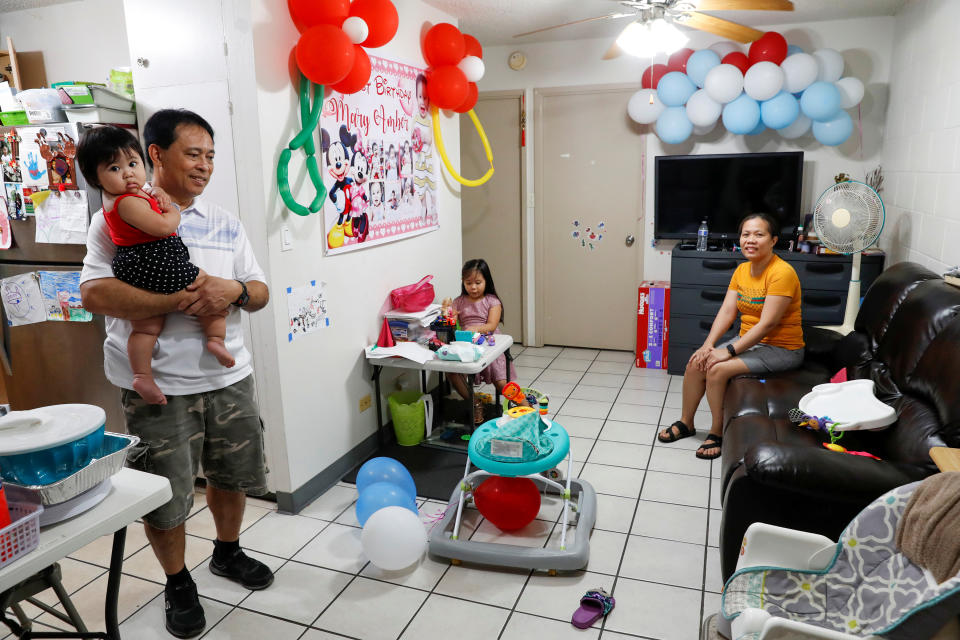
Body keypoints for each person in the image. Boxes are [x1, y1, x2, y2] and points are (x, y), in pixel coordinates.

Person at [80, 109, 272, 639]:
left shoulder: (226, 221)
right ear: (157, 155)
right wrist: (177, 299)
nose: (205, 166)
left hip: (230, 379)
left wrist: (230, 291)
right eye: (193, 154)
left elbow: (258, 291)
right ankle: (177, 582)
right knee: (166, 495)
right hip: (160, 390)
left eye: (210, 156)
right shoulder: (113, 219)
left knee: (233, 478)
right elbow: (93, 293)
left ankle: (228, 553)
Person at [76, 125, 234, 406]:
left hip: (138, 267)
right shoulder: (126, 203)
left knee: (146, 328)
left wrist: (156, 196)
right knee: (207, 289)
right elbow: (162, 227)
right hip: (156, 260)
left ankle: (142, 374)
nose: (128, 173)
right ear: (95, 179)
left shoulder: (128, 199)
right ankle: (215, 338)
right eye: (114, 168)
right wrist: (171, 209)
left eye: (133, 164)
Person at [658, 213, 804, 460]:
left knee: (716, 369)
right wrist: (708, 345)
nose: (751, 240)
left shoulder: (782, 272)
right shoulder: (742, 270)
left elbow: (768, 324)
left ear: (773, 240)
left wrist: (728, 351)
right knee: (696, 362)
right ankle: (687, 422)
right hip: (749, 341)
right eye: (746, 234)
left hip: (782, 349)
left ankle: (717, 432)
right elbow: (727, 311)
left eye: (759, 234)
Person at [447, 259, 517, 418]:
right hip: (467, 346)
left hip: (490, 344)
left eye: (478, 282)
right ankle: (475, 403)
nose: (473, 287)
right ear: (463, 282)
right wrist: (447, 313)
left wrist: (473, 329)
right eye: (468, 282)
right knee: (453, 374)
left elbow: (491, 326)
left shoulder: (492, 301)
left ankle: (526, 408)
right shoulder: (458, 302)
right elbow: (450, 320)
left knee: (502, 384)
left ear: (486, 281)